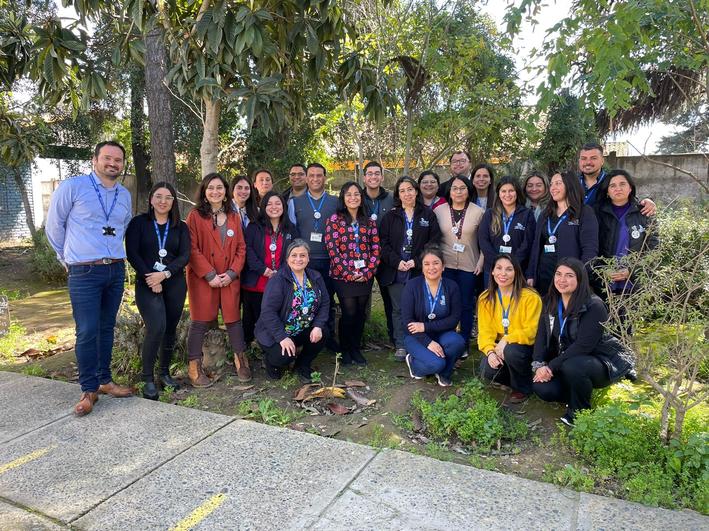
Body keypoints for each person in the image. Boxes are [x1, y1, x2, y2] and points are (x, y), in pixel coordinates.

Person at [46, 140, 134, 415]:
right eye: (107, 158)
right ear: (94, 160)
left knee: (107, 327)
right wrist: (67, 259)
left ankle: (105, 380)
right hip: (84, 271)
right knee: (86, 330)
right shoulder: (73, 187)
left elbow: (123, 227)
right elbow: (54, 226)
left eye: (118, 160)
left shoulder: (124, 195)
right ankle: (88, 389)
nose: (113, 163)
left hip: (114, 269)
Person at [532, 258, 635, 426]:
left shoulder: (594, 305)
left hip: (598, 362)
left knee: (573, 366)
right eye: (558, 274)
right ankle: (577, 391)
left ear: (580, 279)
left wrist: (551, 366)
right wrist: (538, 364)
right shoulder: (550, 301)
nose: (562, 280)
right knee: (543, 389)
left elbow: (584, 346)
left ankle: (579, 413)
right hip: (566, 360)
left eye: (569, 275)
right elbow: (541, 335)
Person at [126, 182, 190, 400]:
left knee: (170, 328)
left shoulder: (181, 226)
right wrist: (151, 278)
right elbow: (132, 253)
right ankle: (147, 378)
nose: (163, 201)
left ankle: (164, 373)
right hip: (147, 282)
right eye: (159, 197)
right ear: (151, 200)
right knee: (156, 327)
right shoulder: (138, 223)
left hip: (174, 282)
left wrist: (164, 275)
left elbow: (185, 255)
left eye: (168, 197)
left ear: (173, 201)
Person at [186, 173, 249, 385]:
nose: (215, 191)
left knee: (233, 318)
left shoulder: (234, 216)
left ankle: (241, 359)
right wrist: (209, 274)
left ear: (226, 191)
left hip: (228, 277)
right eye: (211, 188)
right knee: (199, 321)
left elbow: (241, 248)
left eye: (219, 187)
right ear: (204, 192)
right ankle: (194, 367)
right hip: (204, 277)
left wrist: (232, 273)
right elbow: (192, 248)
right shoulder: (195, 216)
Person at [379, 176, 441, 361]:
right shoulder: (390, 216)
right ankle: (401, 344)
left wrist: (417, 261)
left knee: (419, 308)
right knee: (398, 309)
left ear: (416, 191)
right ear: (398, 194)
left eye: (410, 189)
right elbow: (383, 244)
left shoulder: (428, 214)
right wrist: (397, 262)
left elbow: (434, 242)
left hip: (418, 270)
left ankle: (419, 342)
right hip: (396, 270)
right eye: (402, 190)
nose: (406, 194)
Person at [255, 240, 330, 382]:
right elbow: (268, 312)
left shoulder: (315, 277)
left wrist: (318, 326)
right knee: (284, 356)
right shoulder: (278, 280)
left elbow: (325, 302)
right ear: (287, 258)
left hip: (302, 329)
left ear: (308, 258)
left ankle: (302, 364)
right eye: (294, 255)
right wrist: (282, 337)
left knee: (323, 332)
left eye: (303, 255)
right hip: (275, 333)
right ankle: (271, 363)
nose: (298, 259)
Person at [325, 182, 380, 365]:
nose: (353, 197)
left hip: (365, 275)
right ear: (343, 197)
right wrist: (348, 273)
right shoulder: (334, 220)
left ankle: (356, 348)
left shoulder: (369, 221)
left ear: (361, 198)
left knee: (360, 313)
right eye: (349, 194)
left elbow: (375, 248)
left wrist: (368, 271)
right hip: (342, 276)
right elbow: (333, 249)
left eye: (356, 194)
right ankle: (345, 349)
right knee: (349, 313)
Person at [288, 162, 339, 351]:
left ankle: (328, 337)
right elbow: (292, 232)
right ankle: (305, 338)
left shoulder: (336, 202)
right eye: (312, 175)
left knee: (328, 299)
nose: (315, 179)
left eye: (319, 175)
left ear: (325, 177)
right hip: (305, 262)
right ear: (306, 178)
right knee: (306, 299)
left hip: (330, 259)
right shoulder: (295, 202)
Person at [478, 254, 542, 403]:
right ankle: (512, 380)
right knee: (486, 368)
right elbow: (485, 331)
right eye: (499, 268)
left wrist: (507, 339)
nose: (503, 273)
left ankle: (523, 388)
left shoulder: (530, 297)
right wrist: (490, 352)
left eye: (509, 269)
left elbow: (532, 331)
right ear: (492, 271)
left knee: (512, 351)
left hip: (524, 346)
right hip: (499, 347)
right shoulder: (486, 298)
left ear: (516, 272)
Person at [401, 245, 466, 386]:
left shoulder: (452, 286)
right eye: (427, 264)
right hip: (416, 337)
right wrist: (428, 342)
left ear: (443, 266)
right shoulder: (412, 286)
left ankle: (444, 374)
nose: (431, 268)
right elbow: (407, 322)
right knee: (436, 364)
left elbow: (454, 319)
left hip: (443, 334)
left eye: (436, 263)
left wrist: (425, 326)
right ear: (422, 267)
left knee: (458, 342)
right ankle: (414, 364)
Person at [242, 191, 299, 350]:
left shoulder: (291, 229)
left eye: (278, 203)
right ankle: (247, 348)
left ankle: (272, 348)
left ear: (284, 206)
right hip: (257, 281)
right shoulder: (254, 227)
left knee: (275, 316)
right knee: (252, 317)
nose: (274, 207)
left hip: (281, 281)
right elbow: (248, 250)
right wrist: (263, 270)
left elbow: (296, 252)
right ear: (263, 207)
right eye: (269, 204)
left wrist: (281, 272)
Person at [526, 171, 598, 296]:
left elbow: (590, 249)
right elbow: (536, 246)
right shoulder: (546, 213)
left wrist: (581, 275)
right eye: (551, 184)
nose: (553, 188)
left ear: (570, 185)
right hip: (544, 276)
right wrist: (531, 274)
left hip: (569, 280)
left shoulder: (584, 212)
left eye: (558, 183)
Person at [434, 176, 484, 353]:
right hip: (444, 266)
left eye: (462, 188)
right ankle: (446, 340)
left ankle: (463, 342)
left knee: (466, 305)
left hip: (469, 266)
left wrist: (481, 261)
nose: (458, 192)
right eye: (455, 188)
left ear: (469, 191)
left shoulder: (478, 212)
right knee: (445, 304)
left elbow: (485, 240)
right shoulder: (438, 210)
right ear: (449, 191)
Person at [593, 169, 659, 297]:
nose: (618, 188)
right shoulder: (597, 213)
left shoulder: (644, 213)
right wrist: (602, 270)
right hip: (604, 283)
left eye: (622, 184)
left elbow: (654, 249)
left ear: (630, 188)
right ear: (607, 191)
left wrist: (632, 271)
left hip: (635, 284)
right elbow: (590, 247)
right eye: (612, 186)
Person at [478, 176, 536, 285]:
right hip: (493, 269)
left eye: (511, 191)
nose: (507, 194)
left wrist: (512, 264)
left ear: (517, 192)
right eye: (503, 191)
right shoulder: (490, 214)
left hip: (517, 269)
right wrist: (498, 264)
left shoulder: (527, 214)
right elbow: (483, 241)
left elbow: (527, 243)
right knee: (493, 296)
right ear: (499, 194)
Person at [361, 161, 395, 344]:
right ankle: (360, 337)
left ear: (382, 177)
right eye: (370, 173)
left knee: (389, 299)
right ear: (364, 177)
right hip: (362, 257)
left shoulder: (392, 198)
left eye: (377, 173)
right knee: (360, 300)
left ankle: (394, 337)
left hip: (387, 256)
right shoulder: (357, 197)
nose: (373, 177)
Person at [578, 142, 656, 215]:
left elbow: (629, 199)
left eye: (593, 158)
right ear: (579, 161)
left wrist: (646, 201)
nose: (588, 162)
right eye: (584, 158)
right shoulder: (572, 182)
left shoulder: (611, 181)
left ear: (602, 161)